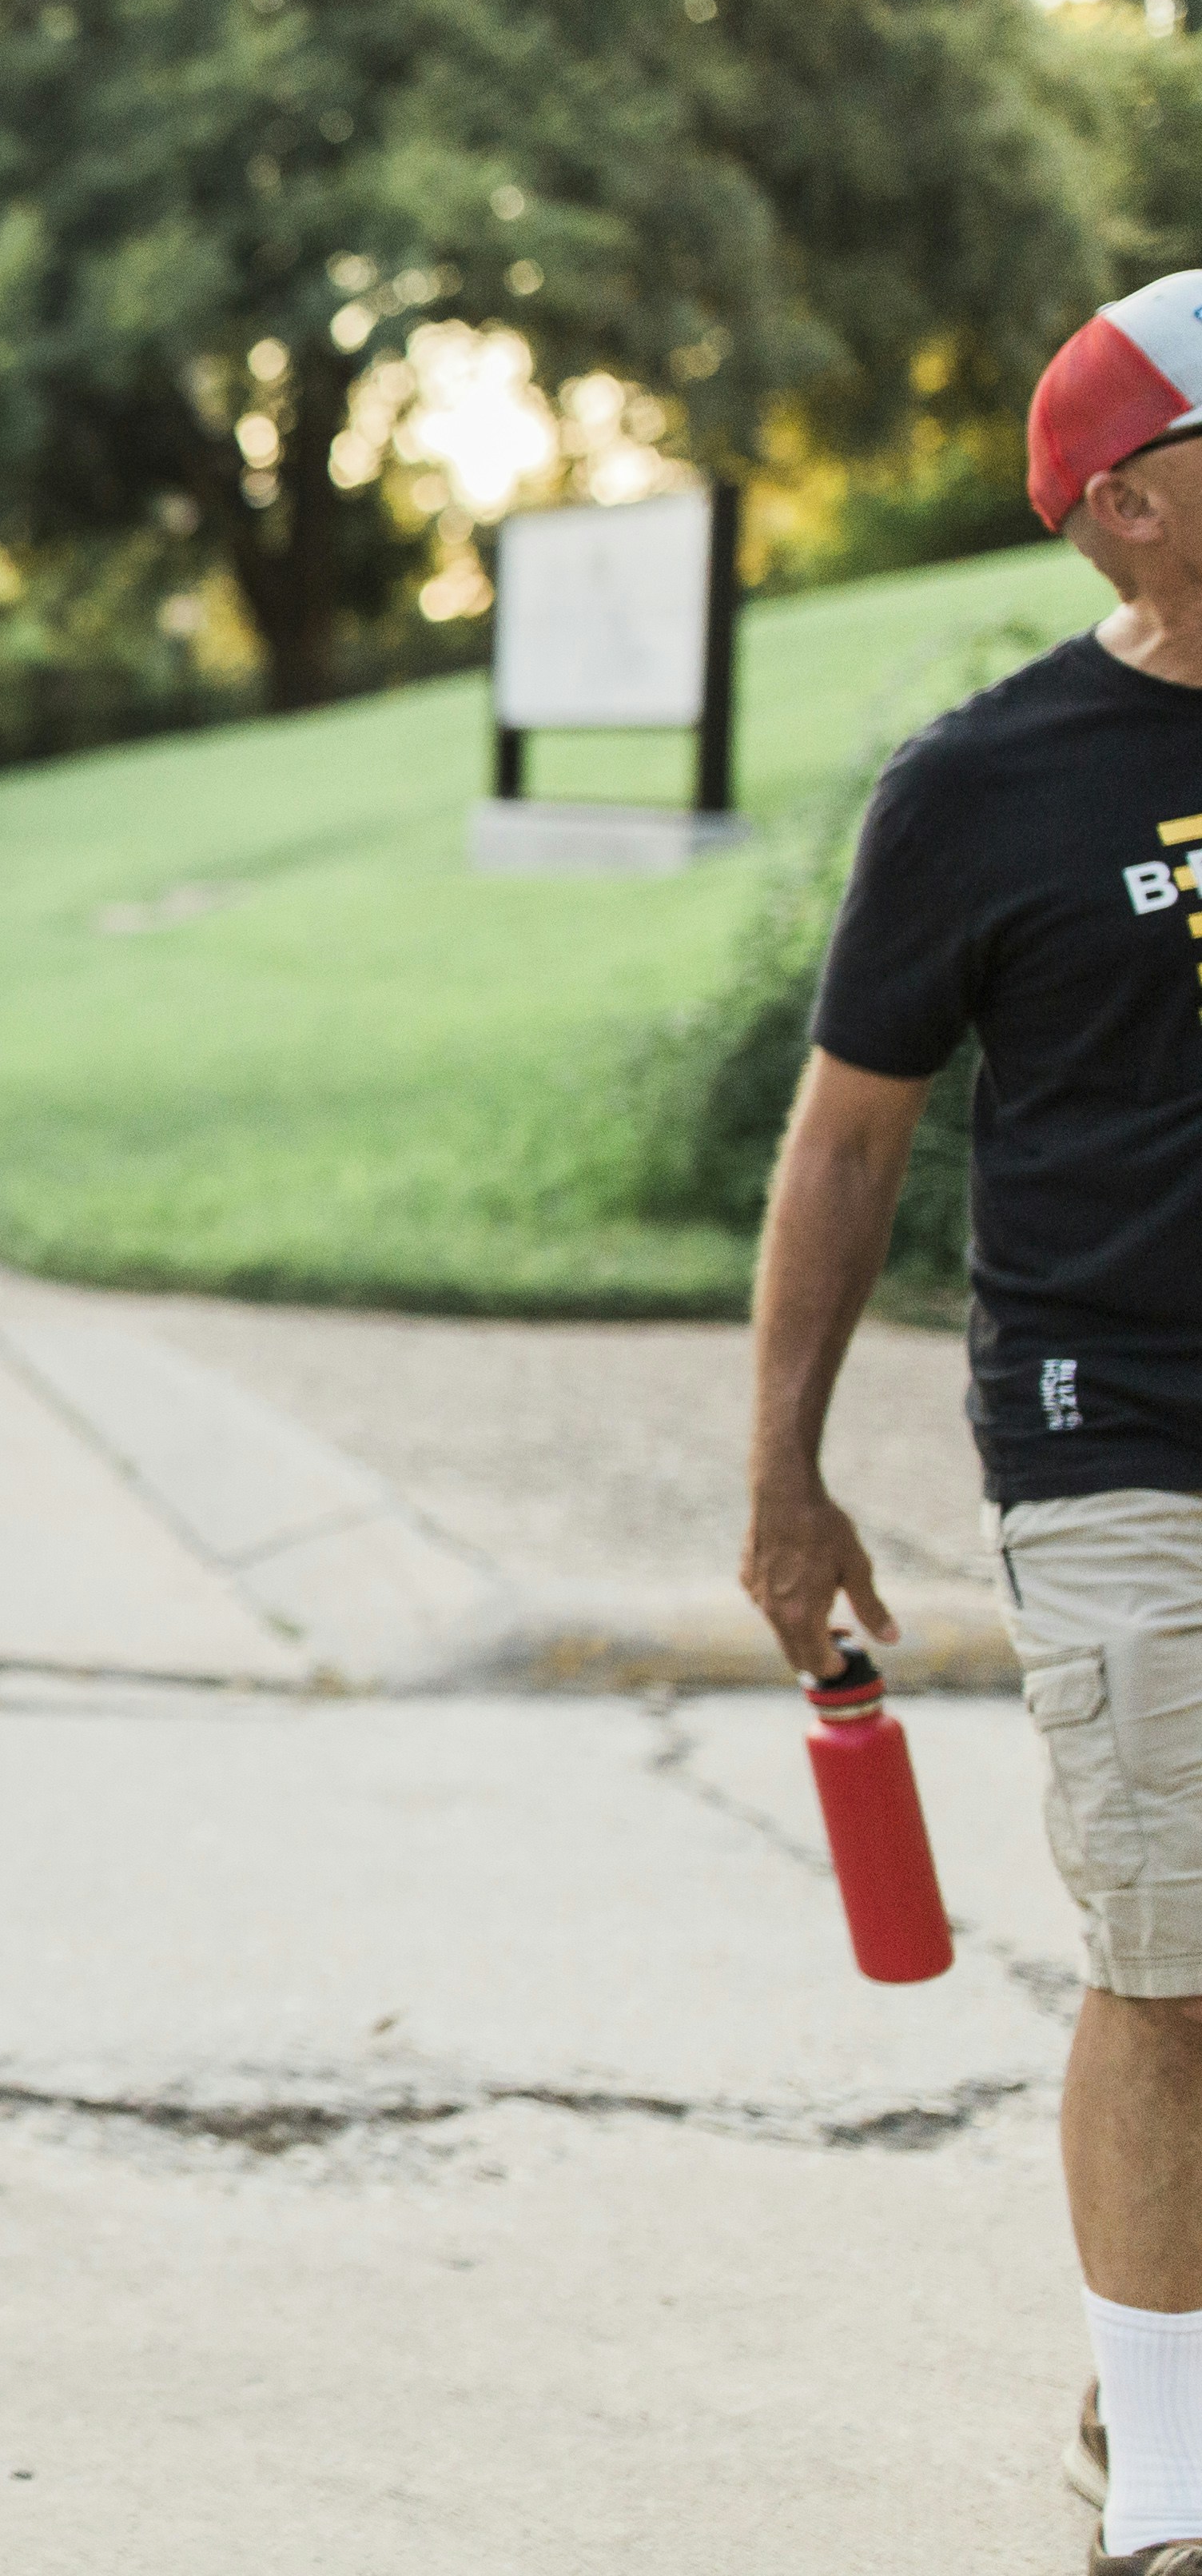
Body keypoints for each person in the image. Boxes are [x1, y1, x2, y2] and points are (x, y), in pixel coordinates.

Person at [742, 268, 1202, 2576]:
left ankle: (1161, 2375)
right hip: (1122, 1427)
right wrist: (784, 1473)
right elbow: (848, 1144)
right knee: (1175, 1948)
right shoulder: (991, 786)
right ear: (1127, 505)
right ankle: (1174, 2476)